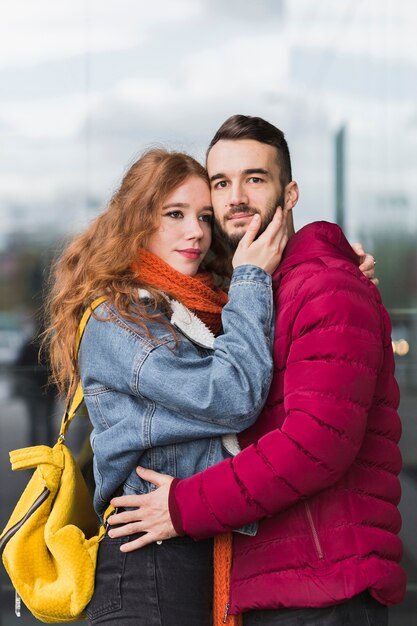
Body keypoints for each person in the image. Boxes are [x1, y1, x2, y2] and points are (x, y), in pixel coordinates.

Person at [109, 116, 405, 626]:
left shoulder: (326, 286)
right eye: (221, 183)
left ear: (289, 194)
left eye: (255, 178)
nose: (236, 196)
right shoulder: (253, 295)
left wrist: (181, 507)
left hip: (322, 590)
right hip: (278, 586)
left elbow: (314, 445)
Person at [45, 147, 290, 626]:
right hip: (147, 570)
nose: (195, 232)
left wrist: (331, 270)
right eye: (174, 214)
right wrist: (253, 280)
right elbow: (234, 397)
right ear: (137, 221)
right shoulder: (119, 316)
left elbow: (253, 367)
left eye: (203, 216)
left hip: (190, 553)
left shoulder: (204, 308)